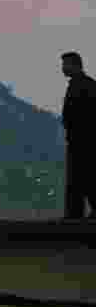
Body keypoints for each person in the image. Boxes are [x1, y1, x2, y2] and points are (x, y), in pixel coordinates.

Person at [61, 52, 96, 219]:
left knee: (83, 177)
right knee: (80, 178)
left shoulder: (86, 86)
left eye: (65, 64)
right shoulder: (80, 84)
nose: (62, 68)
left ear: (74, 65)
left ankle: (74, 216)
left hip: (84, 141)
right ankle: (74, 215)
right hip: (78, 140)